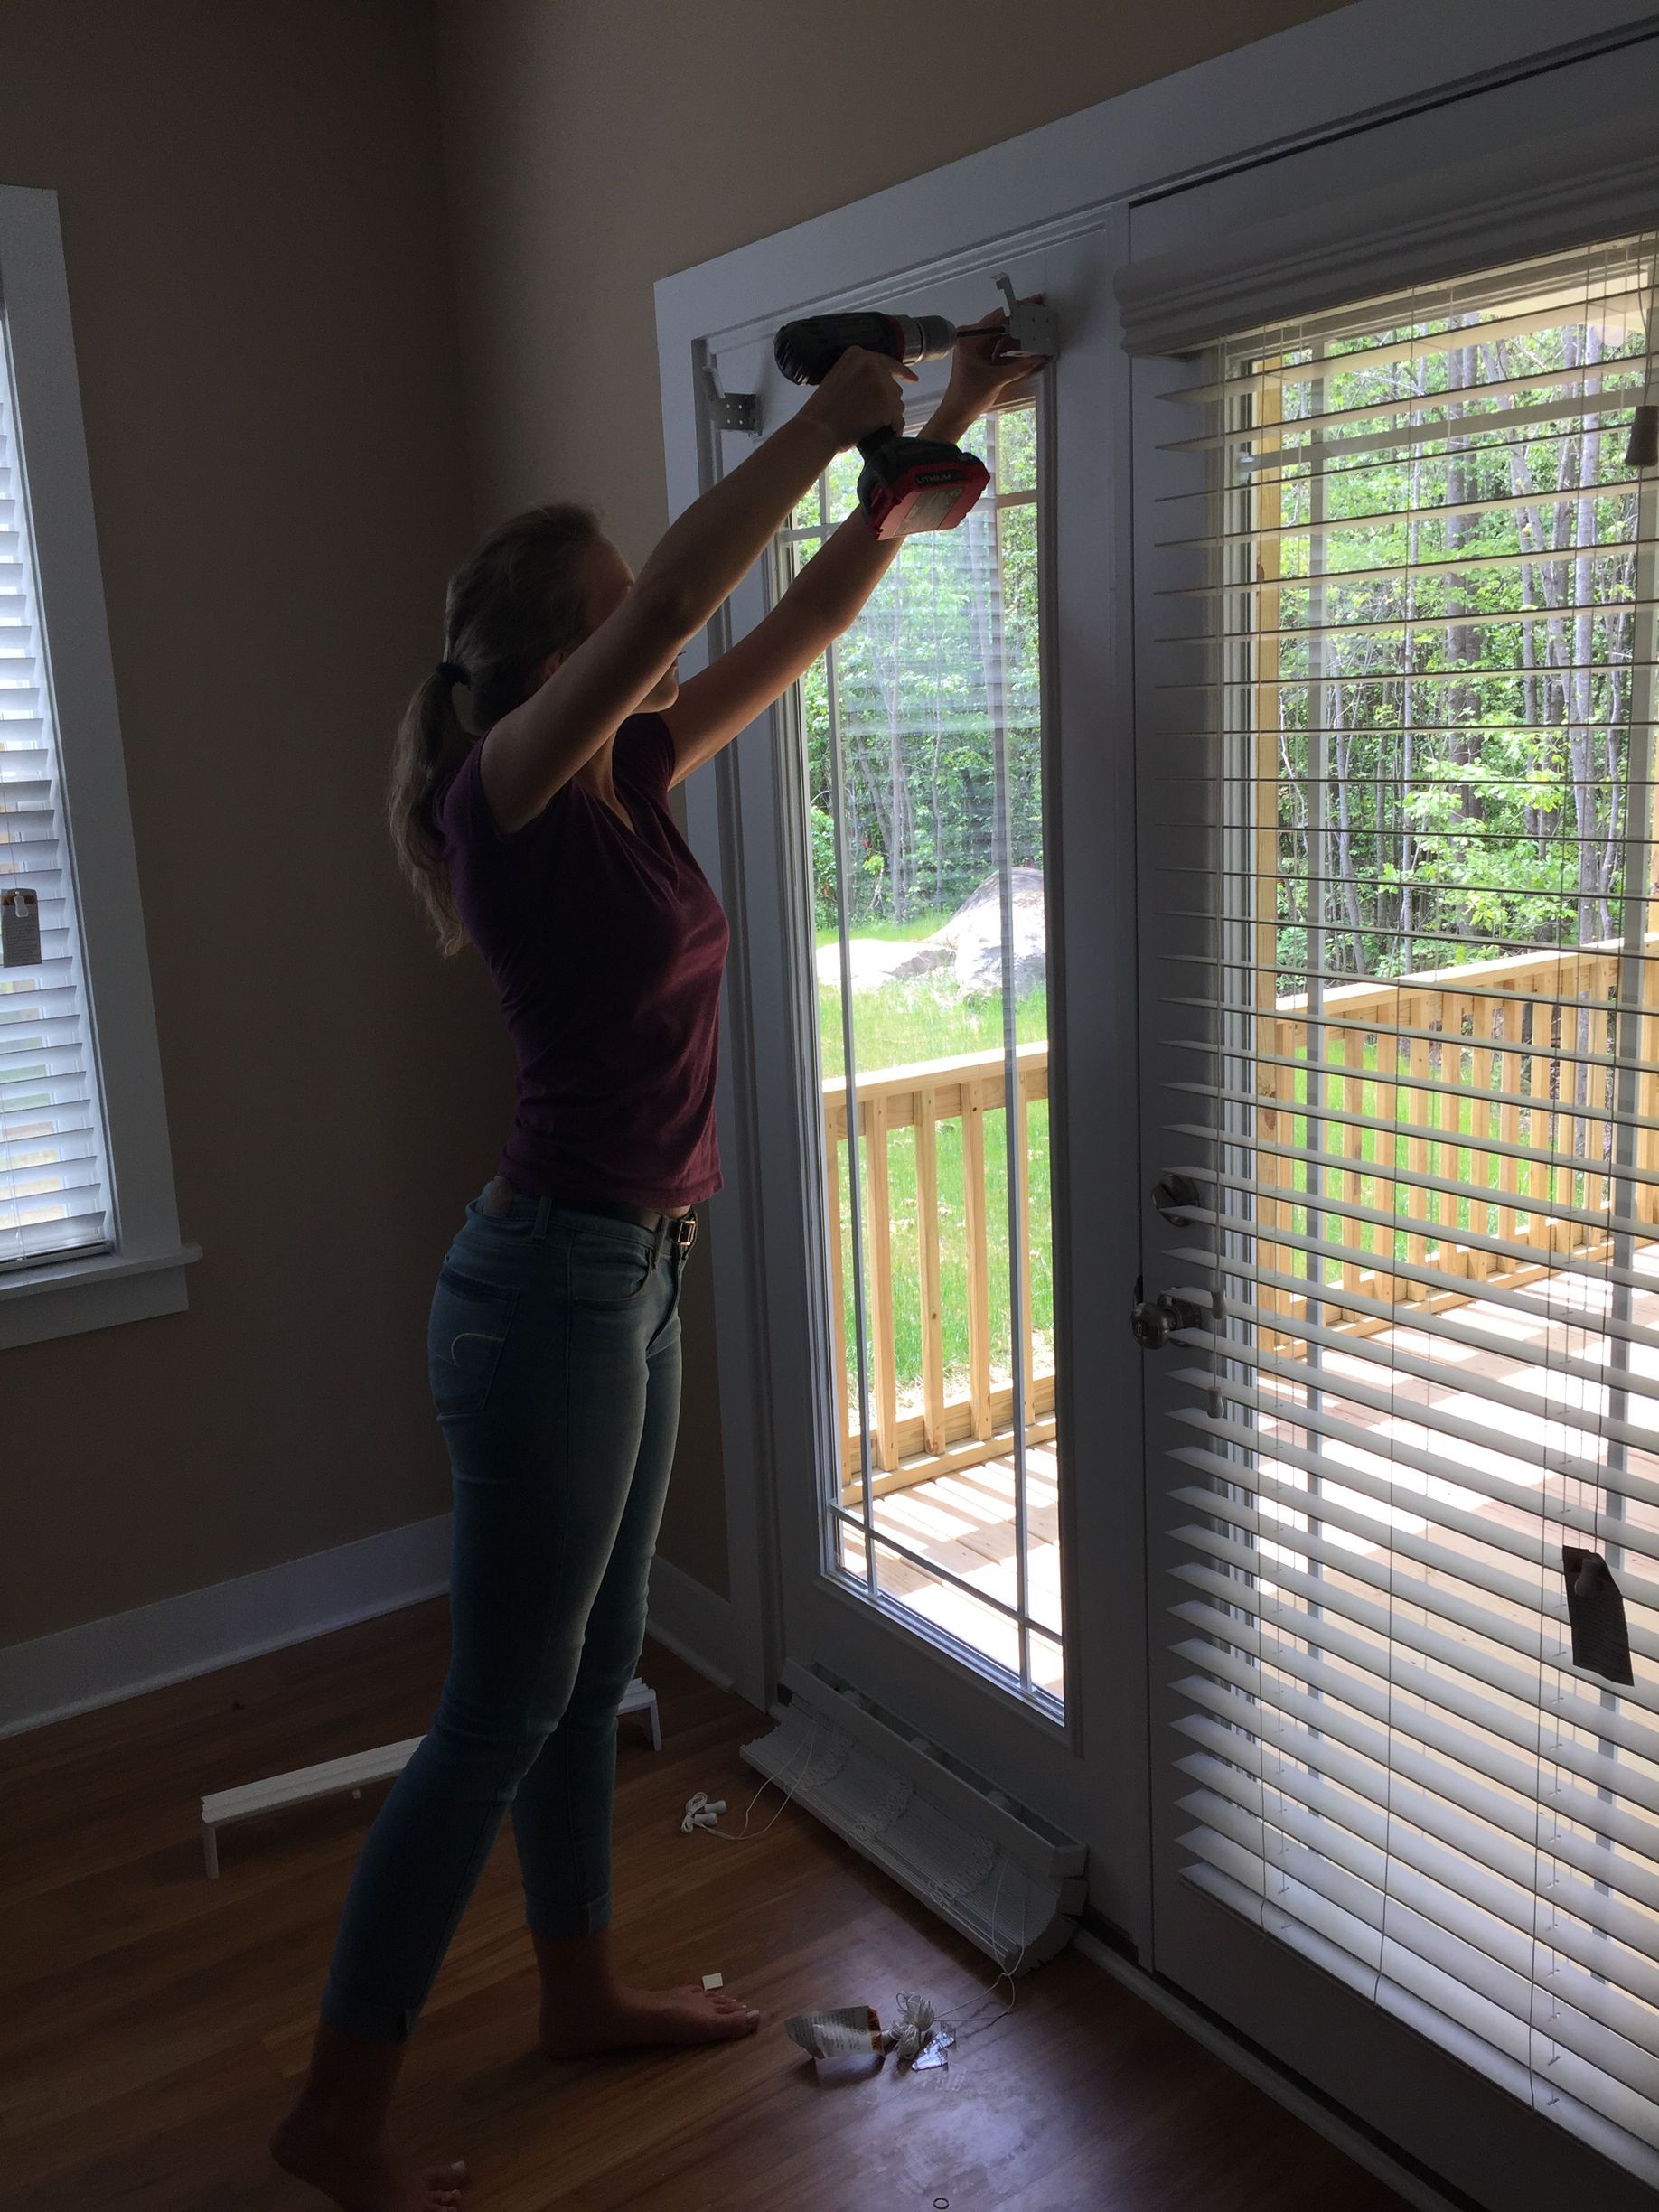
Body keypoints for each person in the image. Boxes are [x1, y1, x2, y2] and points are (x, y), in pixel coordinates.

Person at [271, 312, 1043, 2212]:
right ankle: (335, 2119)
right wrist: (827, 416)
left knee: (595, 1667)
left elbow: (789, 620)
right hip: (549, 1293)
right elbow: (705, 578)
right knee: (494, 1712)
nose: (664, 638)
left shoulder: (620, 770)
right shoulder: (507, 794)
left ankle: (580, 1987)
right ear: (551, 653)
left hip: (627, 1279)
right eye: (623, 619)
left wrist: (930, 434)